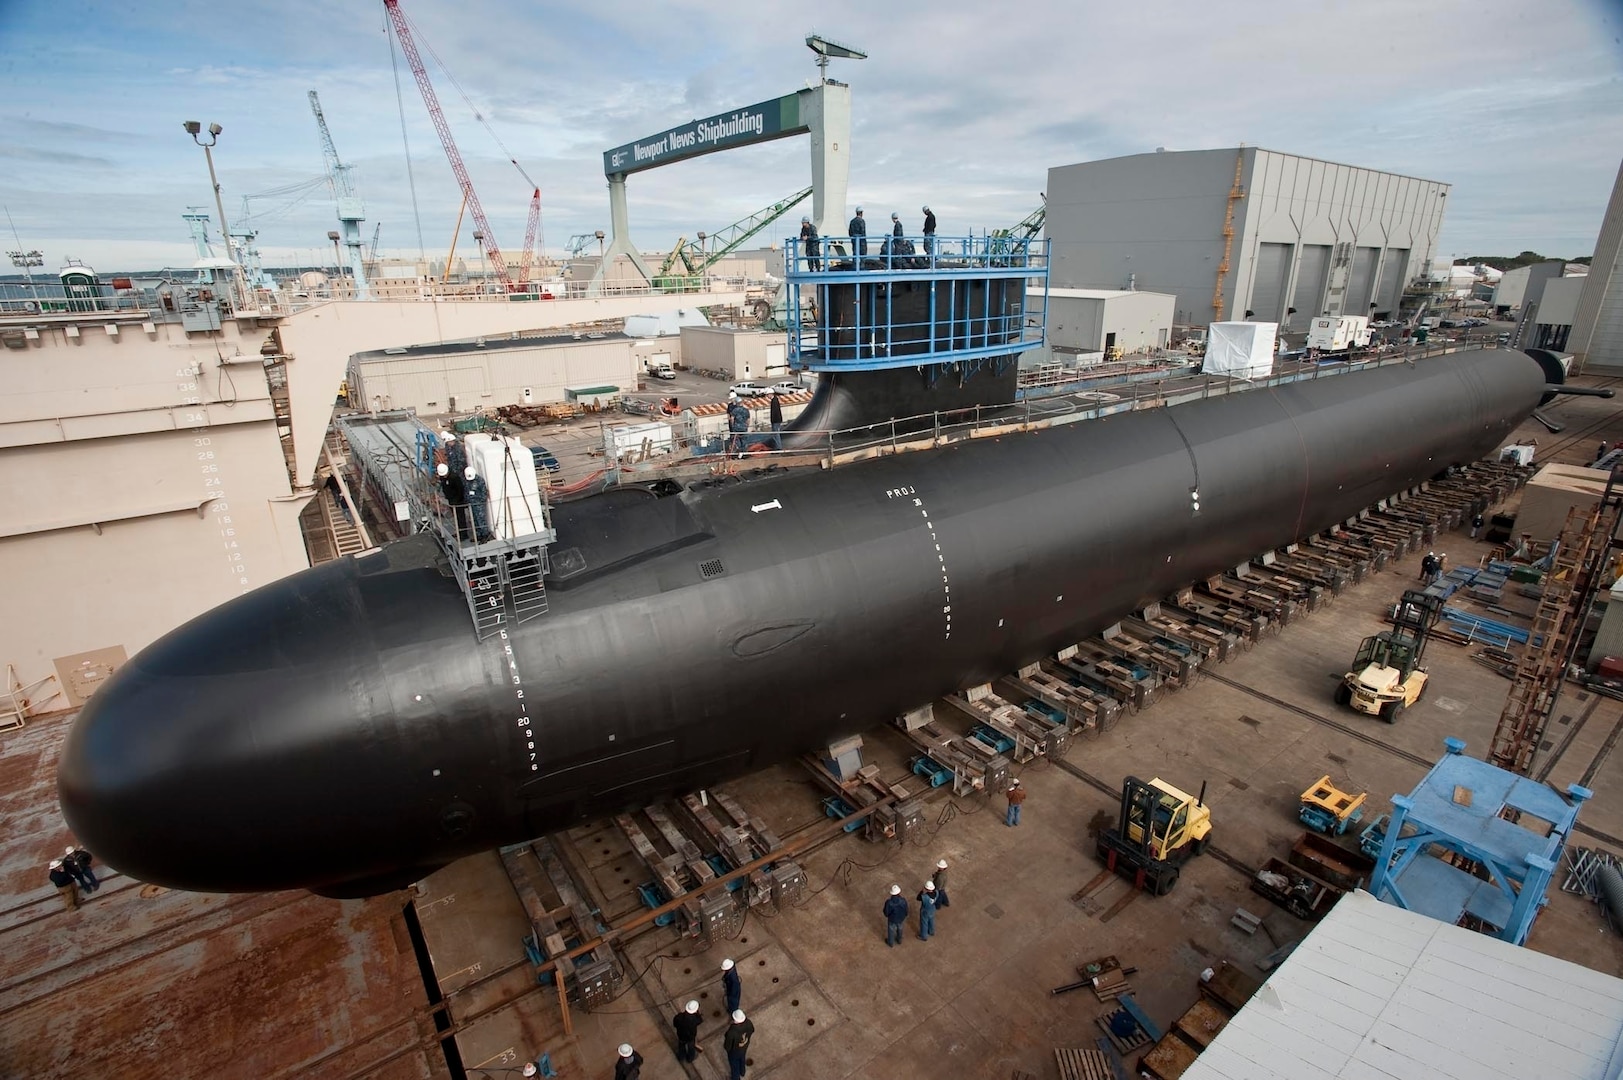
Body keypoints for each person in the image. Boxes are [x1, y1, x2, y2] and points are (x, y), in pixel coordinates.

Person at [463, 466, 493, 543]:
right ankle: (478, 534)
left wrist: (476, 498)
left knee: (481, 520)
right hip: (471, 504)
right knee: (474, 520)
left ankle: (485, 535)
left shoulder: (480, 481)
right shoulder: (466, 481)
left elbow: (484, 494)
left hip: (478, 504)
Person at [723, 1009, 754, 1080]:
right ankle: (742, 1071)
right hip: (744, 1047)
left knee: (734, 1066)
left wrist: (728, 1050)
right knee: (742, 1059)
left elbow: (727, 1046)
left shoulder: (732, 1032)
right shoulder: (748, 1023)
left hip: (734, 1051)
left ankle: (735, 1078)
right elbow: (752, 1030)